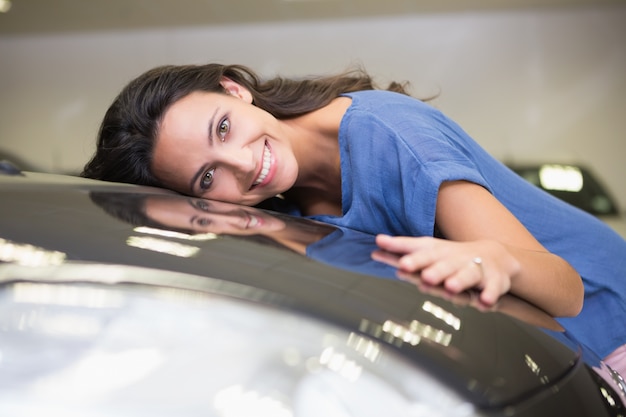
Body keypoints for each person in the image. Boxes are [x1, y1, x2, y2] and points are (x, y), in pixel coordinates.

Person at [81, 63, 626, 373]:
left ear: (233, 88)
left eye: (223, 128)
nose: (244, 164)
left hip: (608, 320)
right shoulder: (271, 209)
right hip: (542, 355)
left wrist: (490, 260)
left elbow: (566, 290)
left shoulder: (388, 135)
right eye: (207, 176)